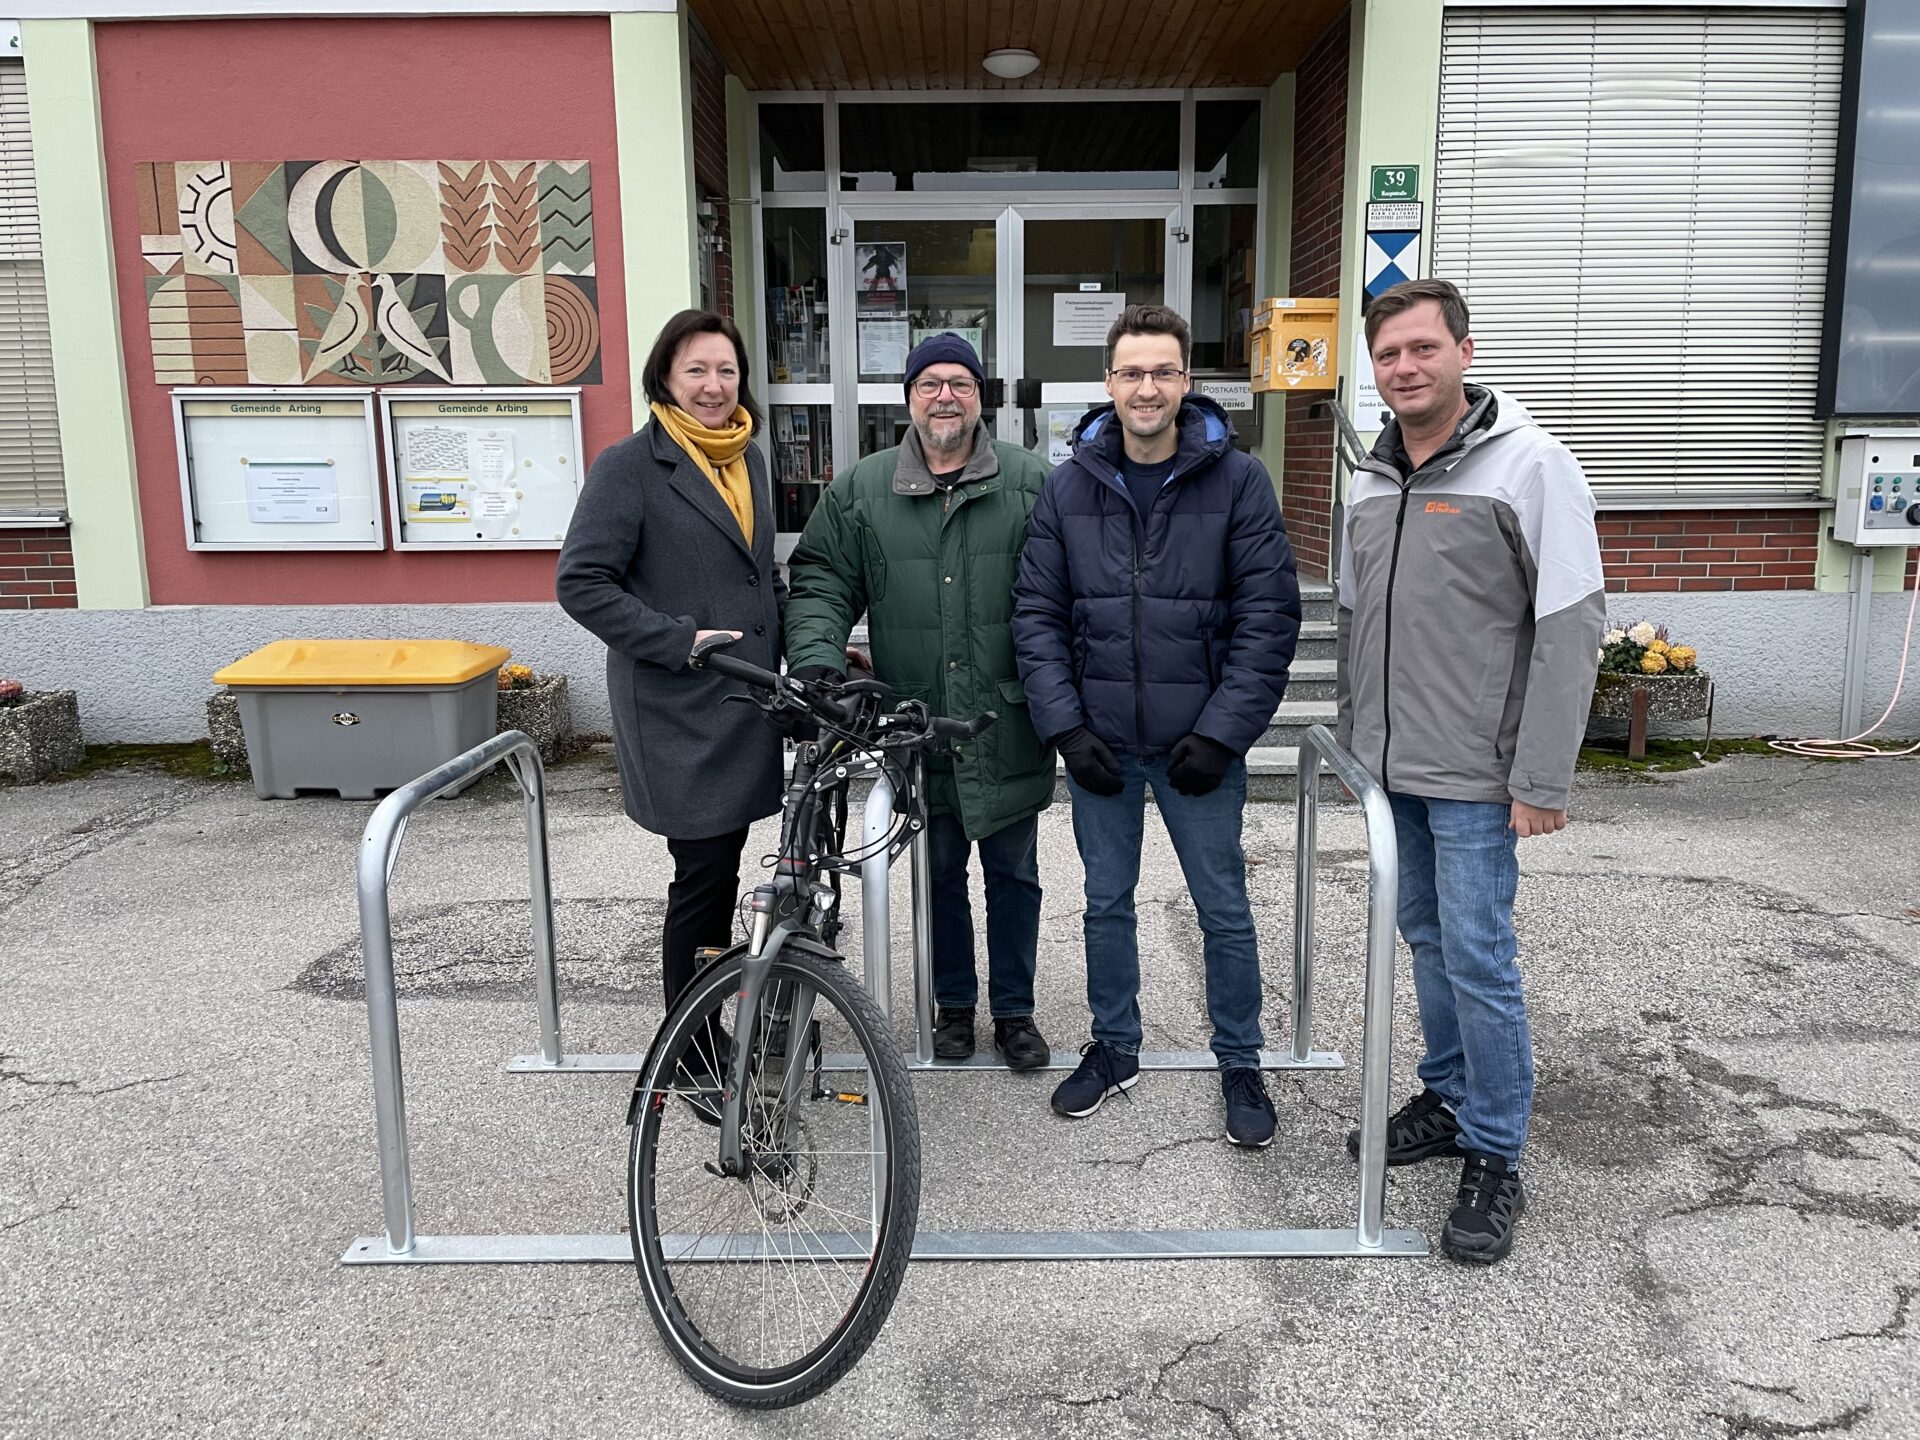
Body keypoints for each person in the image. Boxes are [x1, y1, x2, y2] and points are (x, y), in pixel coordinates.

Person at [1334, 277, 1604, 1264]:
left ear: (1464, 351)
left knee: (1480, 955)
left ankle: (1497, 1149)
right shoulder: (1370, 476)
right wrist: (1360, 752)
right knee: (1427, 941)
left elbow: (1571, 626)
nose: (1405, 367)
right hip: (1395, 768)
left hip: (1478, 773)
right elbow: (1357, 620)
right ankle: (1449, 1097)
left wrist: (1542, 778)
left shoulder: (1529, 466)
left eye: (1422, 349)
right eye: (1389, 354)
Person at [1013, 304, 1300, 1146]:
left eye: (1163, 371)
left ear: (1186, 382)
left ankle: (1240, 1060)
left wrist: (1223, 733)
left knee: (1224, 909)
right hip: (1104, 743)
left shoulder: (1239, 480)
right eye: (1131, 372)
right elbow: (1036, 612)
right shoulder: (1068, 485)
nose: (1147, 387)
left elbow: (1268, 617)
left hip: (1196, 747)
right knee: (1107, 903)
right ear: (1109, 384)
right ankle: (1114, 1047)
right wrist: (1066, 728)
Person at [784, 333, 1056, 1071]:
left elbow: (1067, 595)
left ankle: (1017, 1011)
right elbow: (820, 581)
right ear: (908, 397)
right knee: (937, 878)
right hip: (916, 722)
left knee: (1014, 876)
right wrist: (815, 662)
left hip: (1006, 720)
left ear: (980, 397)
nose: (946, 396)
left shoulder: (1032, 482)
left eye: (961, 384)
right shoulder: (861, 490)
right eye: (931, 383)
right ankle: (955, 1007)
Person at [555, 309, 782, 1102]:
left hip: (745, 701)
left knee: (722, 871)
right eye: (697, 371)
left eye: (726, 370)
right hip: (680, 707)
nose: (715, 386)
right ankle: (687, 1047)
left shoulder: (748, 458)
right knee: (701, 876)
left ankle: (717, 1012)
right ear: (665, 378)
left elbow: (757, 578)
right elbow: (581, 584)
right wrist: (678, 639)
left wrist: (801, 647)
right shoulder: (631, 467)